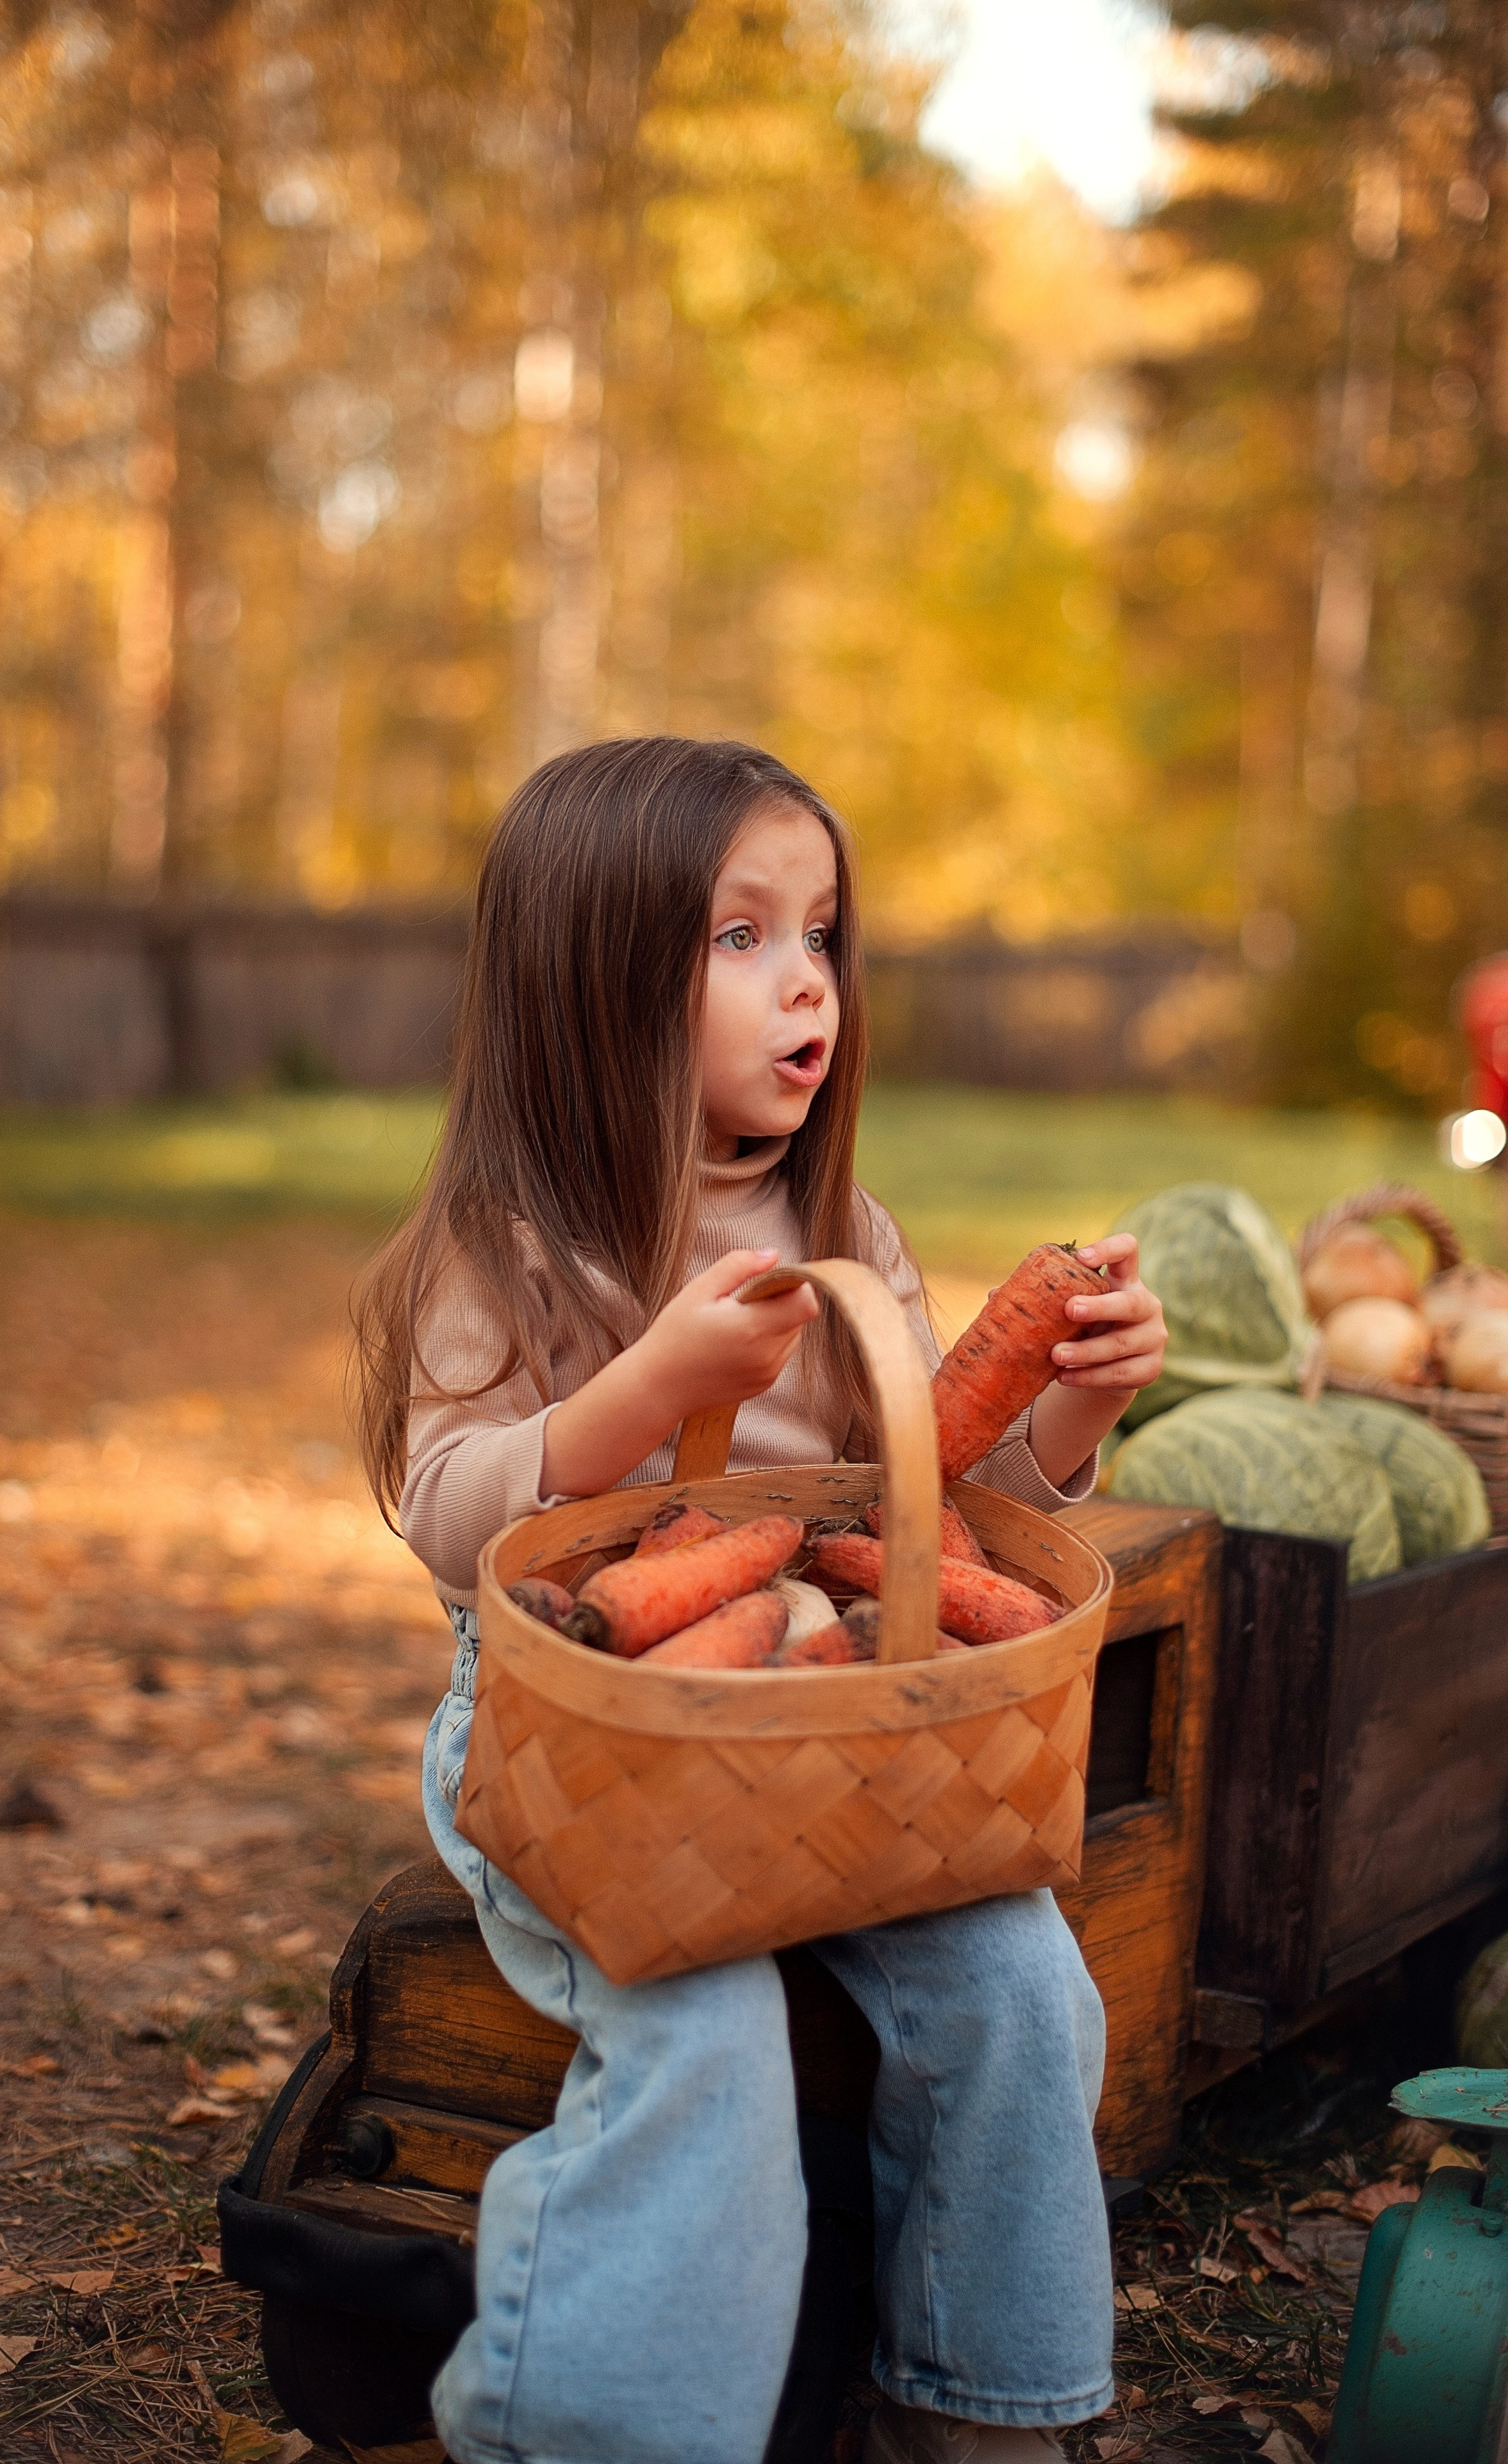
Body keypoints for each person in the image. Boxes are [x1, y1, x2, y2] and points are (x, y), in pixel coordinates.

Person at [353, 737, 1168, 2464]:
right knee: (704, 2030)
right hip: (584, 1746)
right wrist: (650, 1388)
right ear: (590, 982)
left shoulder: (847, 1228)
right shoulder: (504, 1241)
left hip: (835, 1732)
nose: (808, 982)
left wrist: (1067, 1414)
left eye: (822, 935)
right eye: (741, 938)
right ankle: (598, 2432)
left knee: (1021, 1984)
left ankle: (990, 2411)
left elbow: (917, 1517)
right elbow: (444, 1510)